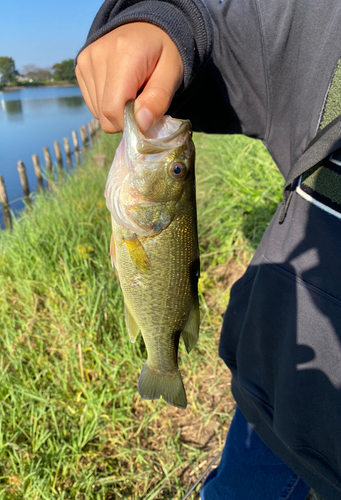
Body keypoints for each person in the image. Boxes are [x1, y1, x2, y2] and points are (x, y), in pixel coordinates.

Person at [75, 1, 341, 499]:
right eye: (182, 171)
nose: (178, 159)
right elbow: (233, 23)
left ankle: (162, 364)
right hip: (275, 397)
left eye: (177, 170)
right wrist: (162, 23)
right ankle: (162, 363)